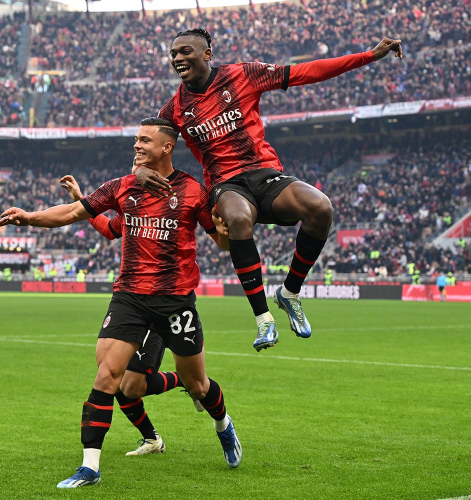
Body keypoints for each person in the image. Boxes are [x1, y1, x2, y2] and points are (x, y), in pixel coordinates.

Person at [0, 118, 241, 489]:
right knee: (108, 376)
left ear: (167, 147)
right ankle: (90, 468)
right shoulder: (122, 186)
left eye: (145, 140)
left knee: (197, 384)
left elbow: (221, 241)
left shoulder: (193, 190)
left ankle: (223, 425)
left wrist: (227, 234)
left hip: (175, 301)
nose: (137, 145)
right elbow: (74, 212)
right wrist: (29, 217)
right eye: (136, 139)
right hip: (129, 297)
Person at [135, 28, 402, 351]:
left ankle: (289, 293)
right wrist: (139, 171)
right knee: (238, 219)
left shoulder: (242, 75)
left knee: (320, 207)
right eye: (173, 54)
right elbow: (149, 148)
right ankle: (263, 319)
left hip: (265, 174)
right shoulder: (173, 110)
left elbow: (308, 71)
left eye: (185, 51)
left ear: (207, 54)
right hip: (226, 184)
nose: (177, 58)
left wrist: (369, 56)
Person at [59, 173, 206, 457]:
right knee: (115, 380)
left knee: (130, 384)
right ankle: (152, 439)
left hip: (161, 302)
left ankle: (187, 381)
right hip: (132, 300)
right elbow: (108, 229)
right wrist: (82, 200)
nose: (137, 168)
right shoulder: (132, 206)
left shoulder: (175, 201)